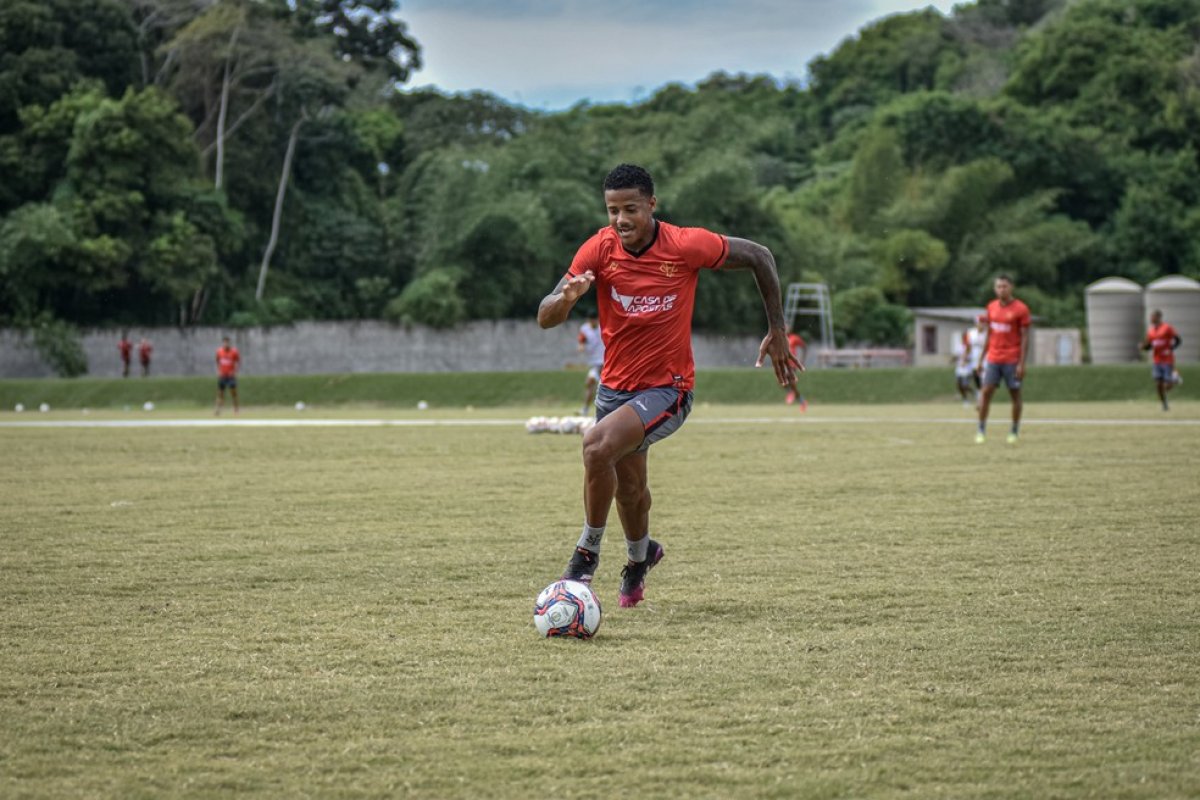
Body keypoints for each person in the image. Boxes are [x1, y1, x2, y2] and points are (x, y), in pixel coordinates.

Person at [537, 163, 801, 608]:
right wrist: (564, 299)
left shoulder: (683, 245)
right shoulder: (599, 249)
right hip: (614, 390)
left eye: (631, 209)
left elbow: (761, 256)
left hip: (668, 390)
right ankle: (641, 558)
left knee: (596, 445)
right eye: (612, 210)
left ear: (652, 205)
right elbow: (545, 316)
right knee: (631, 490)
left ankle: (586, 553)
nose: (621, 220)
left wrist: (777, 329)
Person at [975, 274, 1031, 445]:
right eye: (998, 286)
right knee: (985, 392)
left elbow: (1025, 338)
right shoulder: (991, 307)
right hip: (993, 358)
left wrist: (1021, 363)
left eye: (1004, 286)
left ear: (1011, 288)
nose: (1001, 289)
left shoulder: (1021, 309)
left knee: (1015, 395)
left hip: (1012, 359)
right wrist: (981, 359)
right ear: (994, 289)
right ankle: (981, 429)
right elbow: (989, 335)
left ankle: (1014, 430)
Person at [1142, 309, 1182, 411]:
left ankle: (1175, 378)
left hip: (1167, 360)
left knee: (1167, 385)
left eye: (1153, 317)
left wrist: (1171, 348)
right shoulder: (1151, 331)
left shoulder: (1167, 328)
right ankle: (1164, 404)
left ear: (1159, 317)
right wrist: (1143, 347)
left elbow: (1178, 339)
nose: (1151, 319)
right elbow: (1150, 346)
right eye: (1151, 317)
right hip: (1156, 360)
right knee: (1158, 385)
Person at [954, 315, 987, 408]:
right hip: (974, 362)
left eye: (984, 322)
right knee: (978, 383)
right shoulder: (971, 333)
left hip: (986, 361)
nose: (983, 324)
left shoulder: (988, 334)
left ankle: (981, 401)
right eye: (981, 322)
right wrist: (964, 359)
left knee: (984, 382)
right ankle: (980, 399)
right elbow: (968, 348)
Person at [577, 314, 604, 416]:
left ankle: (592, 410)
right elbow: (581, 341)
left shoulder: (603, 325)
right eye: (591, 320)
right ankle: (585, 409)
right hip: (594, 362)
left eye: (595, 320)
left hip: (604, 361)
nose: (593, 322)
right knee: (590, 385)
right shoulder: (584, 328)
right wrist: (581, 346)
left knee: (593, 384)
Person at [214, 336, 241, 415]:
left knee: (233, 393)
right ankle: (218, 409)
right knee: (220, 393)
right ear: (223, 343)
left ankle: (236, 409)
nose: (226, 344)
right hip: (222, 376)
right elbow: (217, 361)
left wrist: (234, 371)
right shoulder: (219, 351)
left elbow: (238, 362)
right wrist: (218, 371)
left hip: (230, 376)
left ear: (229, 343)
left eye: (227, 342)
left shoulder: (234, 352)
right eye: (225, 342)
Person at [785, 327, 807, 410]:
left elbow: (804, 347)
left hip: (792, 364)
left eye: (787, 328)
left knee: (786, 377)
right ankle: (802, 401)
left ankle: (791, 393)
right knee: (791, 386)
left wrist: (802, 360)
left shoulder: (794, 338)